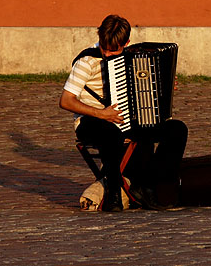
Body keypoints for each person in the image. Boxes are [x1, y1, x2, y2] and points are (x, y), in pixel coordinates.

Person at [59, 14, 188, 212]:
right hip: (91, 121)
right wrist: (101, 114)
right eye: (105, 48)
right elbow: (66, 101)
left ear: (126, 42)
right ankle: (114, 191)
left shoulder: (133, 57)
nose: (109, 54)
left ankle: (150, 185)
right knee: (110, 133)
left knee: (177, 129)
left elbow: (144, 88)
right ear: (99, 36)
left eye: (115, 50)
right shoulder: (86, 62)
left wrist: (164, 85)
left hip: (128, 120)